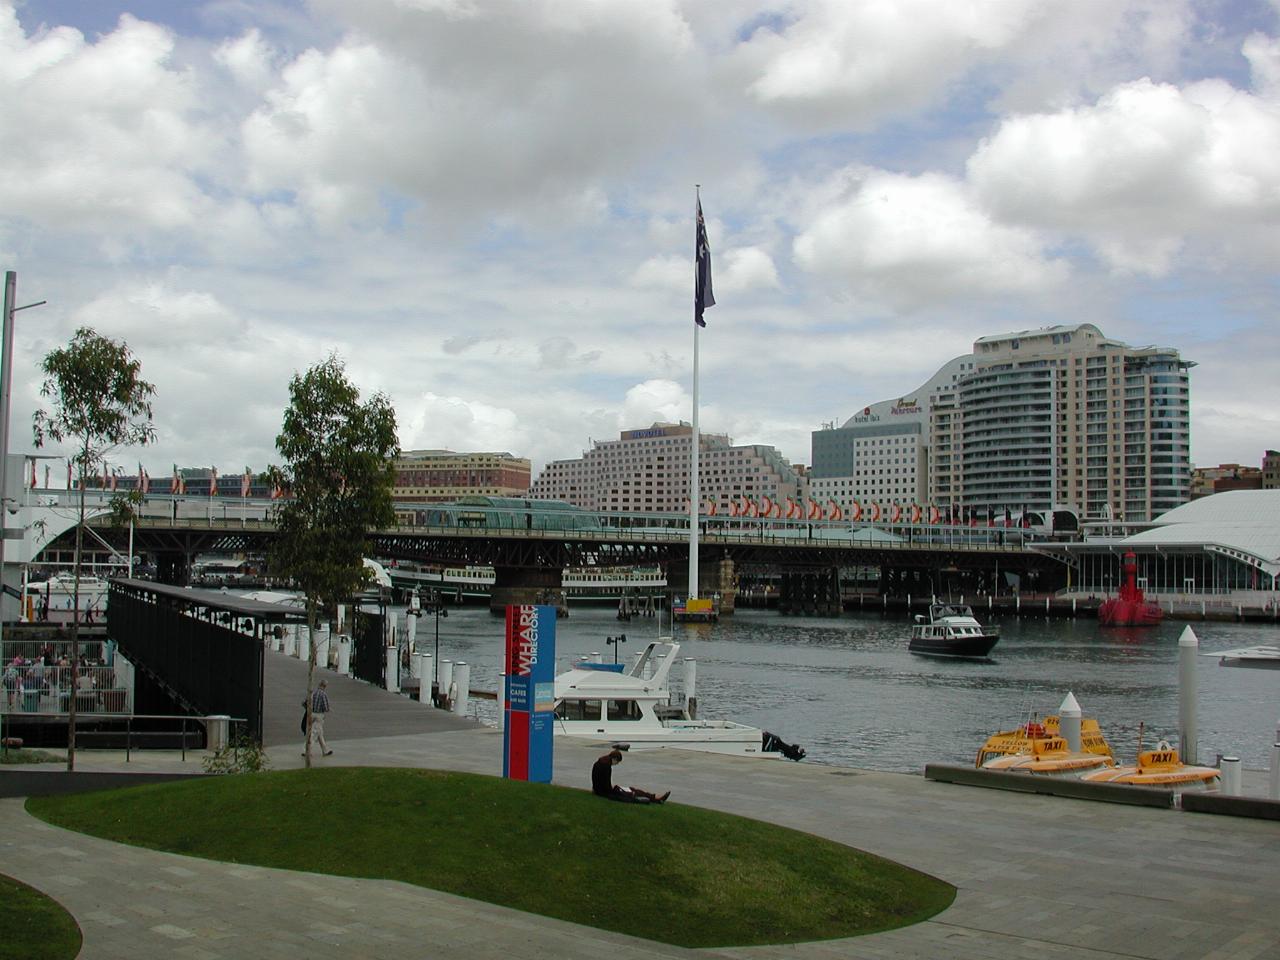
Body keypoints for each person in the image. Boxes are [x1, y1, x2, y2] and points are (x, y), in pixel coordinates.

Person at [590, 748, 669, 804]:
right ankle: (655, 798)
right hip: (603, 791)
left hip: (599, 789)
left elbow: (600, 780)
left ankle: (654, 797)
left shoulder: (599, 762)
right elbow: (606, 784)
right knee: (632, 791)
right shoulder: (606, 766)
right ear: (614, 759)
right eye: (617, 762)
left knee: (631, 790)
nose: (617, 764)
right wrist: (613, 788)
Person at [304, 679, 333, 757]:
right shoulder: (323, 695)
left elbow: (305, 702)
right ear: (325, 686)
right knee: (314, 733)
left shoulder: (313, 692)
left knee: (319, 733)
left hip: (311, 714)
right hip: (319, 715)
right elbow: (326, 707)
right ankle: (307, 750)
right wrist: (329, 709)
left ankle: (325, 750)